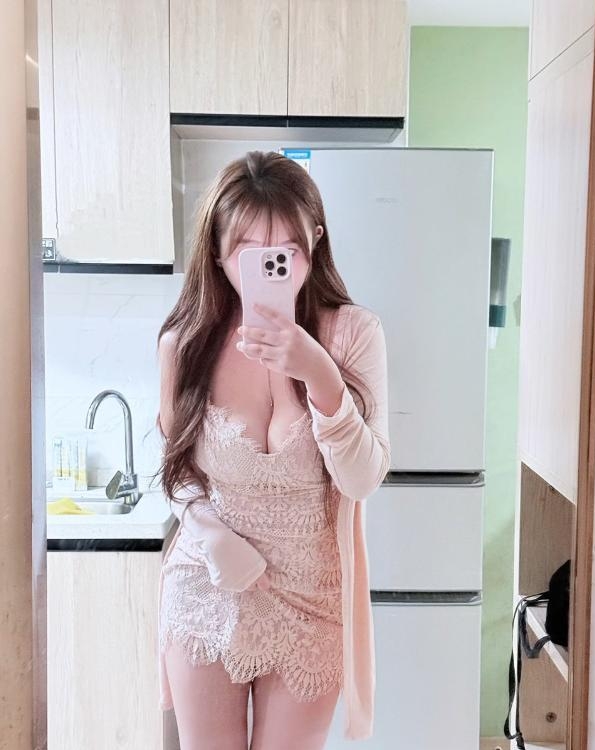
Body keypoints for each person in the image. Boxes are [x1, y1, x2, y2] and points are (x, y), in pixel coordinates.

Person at [154, 150, 390, 750]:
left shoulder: (354, 334)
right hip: (208, 579)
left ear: (316, 239)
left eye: (287, 247)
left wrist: (320, 375)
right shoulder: (185, 343)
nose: (272, 263)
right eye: (249, 251)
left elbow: (362, 480)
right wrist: (209, 533)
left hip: (312, 597)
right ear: (217, 251)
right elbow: (177, 469)